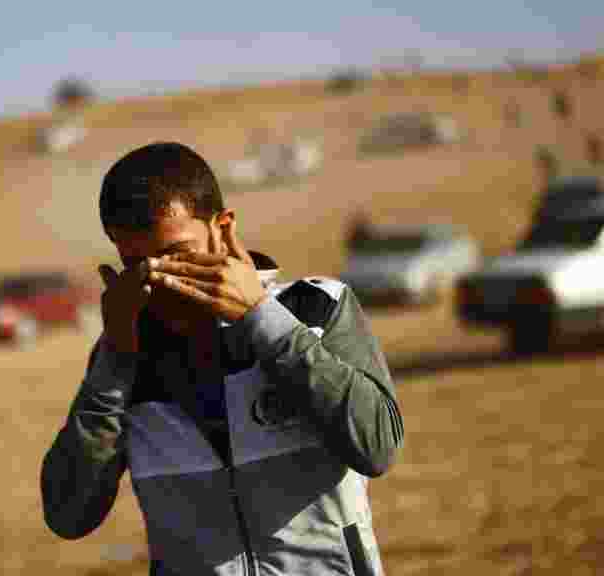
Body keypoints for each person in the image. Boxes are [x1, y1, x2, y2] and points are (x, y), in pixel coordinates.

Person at [40, 142, 404, 575]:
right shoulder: (125, 357)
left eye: (176, 254)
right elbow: (68, 514)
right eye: (136, 264)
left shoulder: (315, 310)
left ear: (223, 227)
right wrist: (115, 360)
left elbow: (377, 447)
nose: (160, 278)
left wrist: (263, 320)